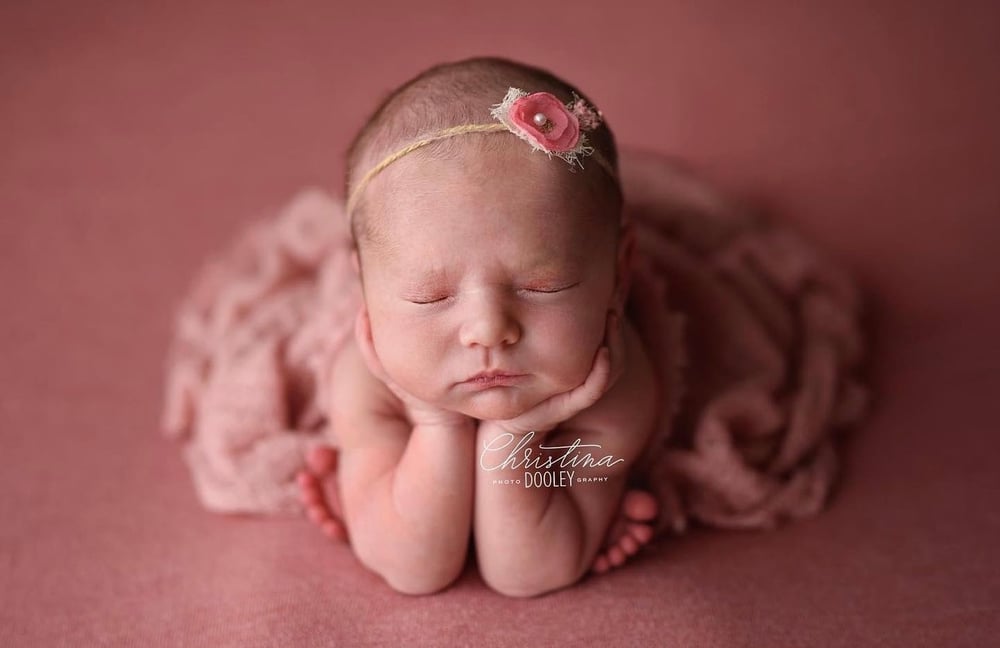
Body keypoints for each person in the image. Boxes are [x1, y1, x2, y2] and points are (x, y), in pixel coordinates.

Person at [296, 56, 665, 597]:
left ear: (618, 271)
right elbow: (415, 567)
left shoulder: (615, 386)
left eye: (543, 286)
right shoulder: (367, 377)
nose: (488, 330)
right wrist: (431, 421)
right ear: (367, 291)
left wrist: (516, 436)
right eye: (431, 296)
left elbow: (528, 572)